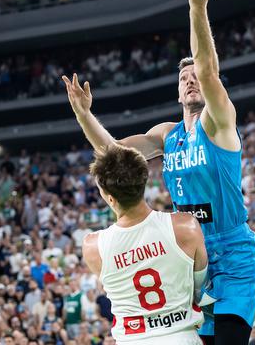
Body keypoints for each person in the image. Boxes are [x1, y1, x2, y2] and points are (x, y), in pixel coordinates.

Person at [62, 0, 255, 345]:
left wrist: (197, 5)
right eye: (183, 79)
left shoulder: (218, 122)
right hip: (189, 253)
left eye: (195, 78)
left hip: (233, 250)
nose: (191, 81)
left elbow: (207, 71)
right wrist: (84, 115)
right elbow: (112, 152)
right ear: (176, 93)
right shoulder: (166, 135)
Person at [80, 145, 207, 344]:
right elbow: (200, 287)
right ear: (143, 182)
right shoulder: (185, 226)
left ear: (109, 197)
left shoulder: (93, 247)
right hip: (182, 336)